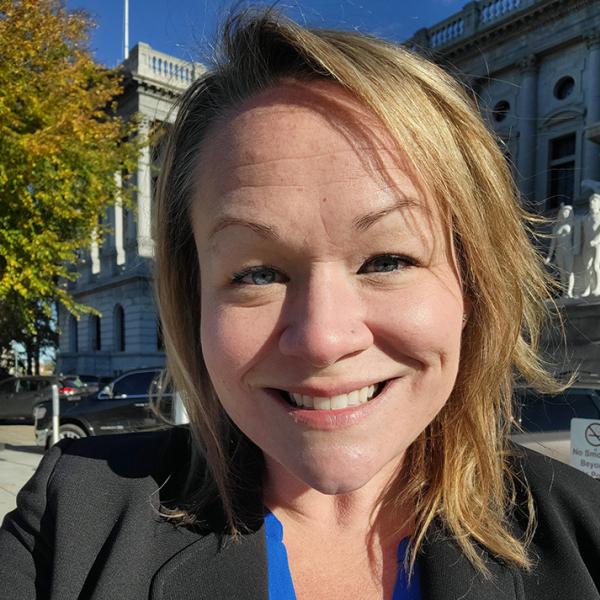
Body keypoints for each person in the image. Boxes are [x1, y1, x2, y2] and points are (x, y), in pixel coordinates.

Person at [1, 9, 600, 600]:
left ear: (474, 283)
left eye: (387, 260)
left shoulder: (585, 535)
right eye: (257, 273)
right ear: (194, 297)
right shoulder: (72, 516)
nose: (323, 338)